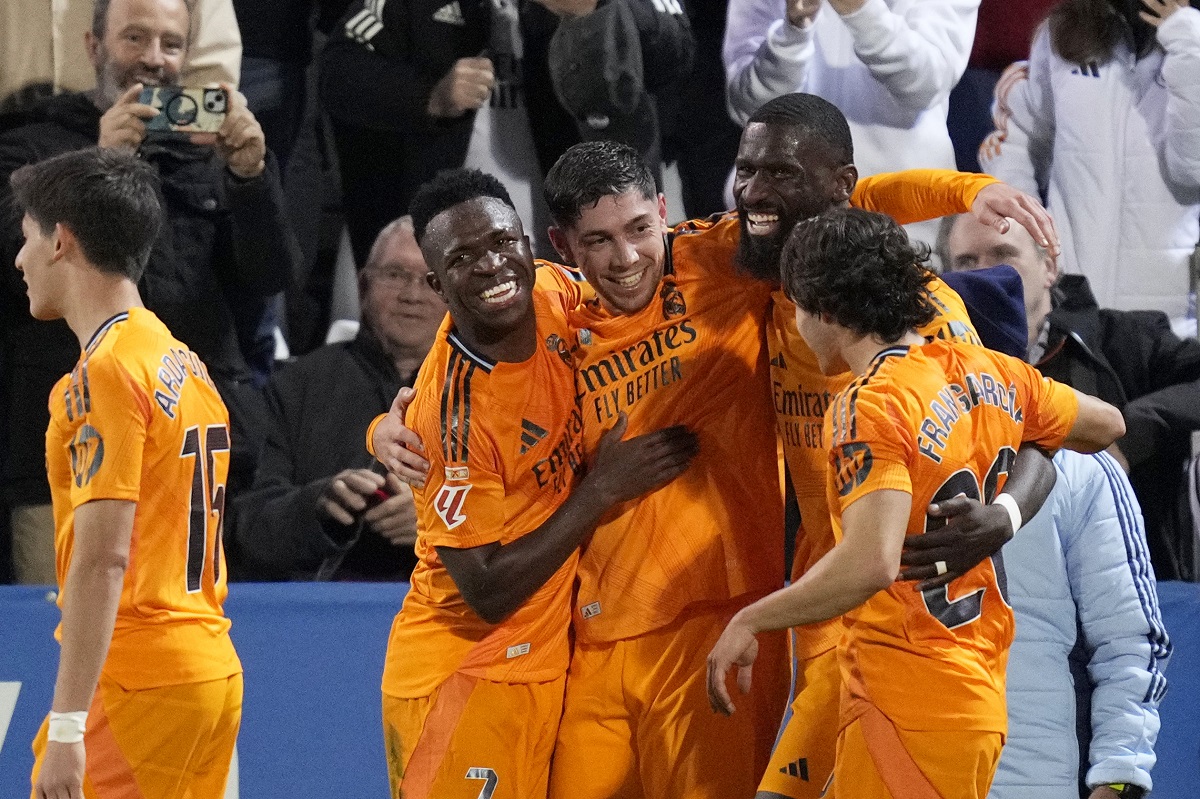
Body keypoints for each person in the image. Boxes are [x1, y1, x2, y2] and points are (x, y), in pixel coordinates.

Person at [707, 207, 1127, 799]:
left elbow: (871, 563)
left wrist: (752, 618)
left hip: (907, 694)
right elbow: (1106, 423)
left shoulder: (869, 405)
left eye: (798, 308)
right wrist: (1008, 510)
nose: (798, 326)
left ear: (827, 310)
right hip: (971, 694)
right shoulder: (994, 371)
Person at [370, 168, 698, 799]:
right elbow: (486, 589)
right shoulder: (456, 417)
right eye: (465, 259)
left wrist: (379, 426)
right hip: (464, 677)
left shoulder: (551, 290)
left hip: (547, 668)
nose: (493, 267)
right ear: (438, 283)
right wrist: (602, 491)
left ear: (529, 244)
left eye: (501, 243)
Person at [0, 0, 301, 584]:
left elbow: (270, 279)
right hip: (65, 459)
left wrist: (251, 177)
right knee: (62, 641)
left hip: (186, 463)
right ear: (93, 47)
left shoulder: (209, 154)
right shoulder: (32, 146)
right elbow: (10, 267)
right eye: (134, 38)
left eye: (170, 43)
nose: (153, 59)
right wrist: (98, 162)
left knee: (175, 638)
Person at [13, 147, 242, 799]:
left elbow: (103, 559)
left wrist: (65, 726)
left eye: (27, 239)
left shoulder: (105, 373)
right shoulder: (181, 359)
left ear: (61, 241)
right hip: (207, 665)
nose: (20, 260)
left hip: (139, 677)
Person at [936, 265, 1171, 799]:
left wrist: (1117, 778)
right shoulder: (887, 461)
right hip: (916, 769)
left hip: (1039, 776)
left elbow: (1130, 642)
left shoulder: (1083, 470)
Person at [319, 0, 693, 266]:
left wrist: (594, 12)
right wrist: (430, 97)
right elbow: (340, 71)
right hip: (454, 252)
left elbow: (677, 50)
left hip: (589, 240)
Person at [941, 211, 1200, 579]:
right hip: (993, 589)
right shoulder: (930, 365)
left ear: (1049, 268)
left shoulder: (1122, 339)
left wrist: (1134, 431)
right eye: (966, 261)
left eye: (1003, 254)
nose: (984, 273)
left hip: (1134, 580)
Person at [233, 217, 445, 580]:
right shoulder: (295, 387)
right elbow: (244, 524)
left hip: (452, 614)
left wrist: (441, 524)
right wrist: (319, 506)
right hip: (324, 614)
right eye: (395, 274)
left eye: (429, 280)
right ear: (363, 285)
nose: (412, 294)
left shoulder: (491, 391)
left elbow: (526, 513)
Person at [979, 0, 1200, 326]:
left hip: (1167, 321)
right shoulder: (1063, 31)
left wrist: (1187, 40)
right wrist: (1031, 233)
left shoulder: (1193, 42)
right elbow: (1019, 137)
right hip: (1068, 307)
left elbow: (1191, 169)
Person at [722, 0, 979, 246]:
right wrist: (793, 32)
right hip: (779, 215)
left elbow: (927, 83)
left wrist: (859, 9)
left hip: (904, 214)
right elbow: (750, 109)